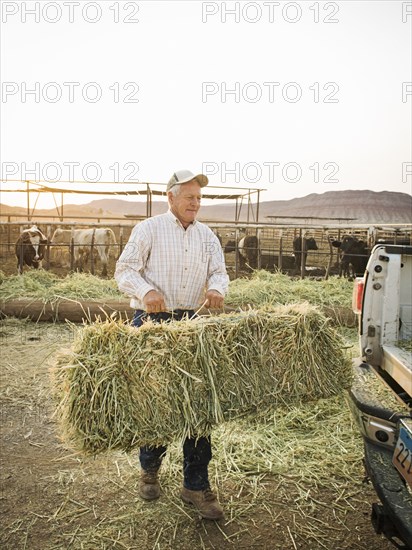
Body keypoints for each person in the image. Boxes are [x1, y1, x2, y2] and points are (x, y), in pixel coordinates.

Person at [114, 169, 229, 520]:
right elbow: (124, 270)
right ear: (171, 198)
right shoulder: (148, 229)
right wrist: (146, 291)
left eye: (199, 197)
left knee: (198, 404)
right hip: (153, 323)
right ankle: (150, 468)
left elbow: (220, 272)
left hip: (194, 322)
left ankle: (195, 484)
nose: (196, 202)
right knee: (156, 401)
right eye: (190, 196)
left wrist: (216, 290)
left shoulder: (207, 235)